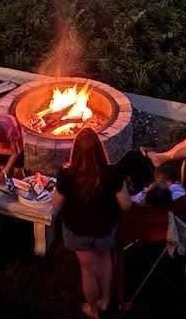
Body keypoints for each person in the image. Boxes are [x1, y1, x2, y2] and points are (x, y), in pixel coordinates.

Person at [52, 128, 132, 319]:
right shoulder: (112, 173)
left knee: (88, 270)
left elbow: (56, 204)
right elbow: (126, 205)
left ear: (75, 151)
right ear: (100, 149)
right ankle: (105, 300)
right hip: (104, 228)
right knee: (105, 261)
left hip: (77, 230)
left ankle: (93, 310)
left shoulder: (66, 175)